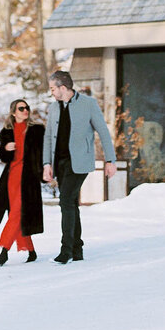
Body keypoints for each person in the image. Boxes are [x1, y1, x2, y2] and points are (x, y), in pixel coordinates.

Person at [42, 70, 117, 264]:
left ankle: (65, 250)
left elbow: (103, 132)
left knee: (66, 200)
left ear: (63, 88)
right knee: (71, 204)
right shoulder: (53, 108)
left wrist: (111, 160)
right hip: (60, 163)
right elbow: (49, 137)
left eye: (52, 88)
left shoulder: (88, 104)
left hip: (80, 163)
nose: (51, 92)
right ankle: (77, 249)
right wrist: (46, 164)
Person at [0, 99, 44, 266]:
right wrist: (5, 149)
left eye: (27, 108)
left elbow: (43, 153)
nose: (25, 111)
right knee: (18, 212)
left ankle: (4, 251)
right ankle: (31, 251)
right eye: (21, 108)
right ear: (13, 112)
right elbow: (3, 157)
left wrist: (45, 171)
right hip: (12, 177)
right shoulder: (7, 132)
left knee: (17, 212)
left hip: (29, 178)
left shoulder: (37, 130)